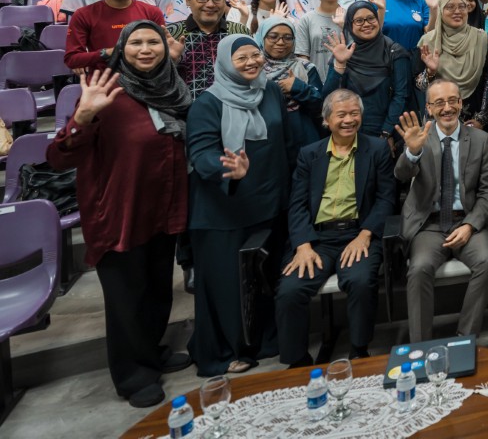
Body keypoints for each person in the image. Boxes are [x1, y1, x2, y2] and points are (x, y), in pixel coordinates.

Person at [46, 23, 196, 408]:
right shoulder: (104, 91)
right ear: (120, 49)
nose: (145, 50)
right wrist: (84, 117)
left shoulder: (171, 87)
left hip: (163, 206)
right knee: (127, 296)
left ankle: (152, 349)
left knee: (157, 287)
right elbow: (60, 157)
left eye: (153, 43)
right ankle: (133, 374)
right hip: (119, 210)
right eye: (136, 43)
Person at [186, 34, 293, 375]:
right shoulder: (208, 103)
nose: (251, 62)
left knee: (263, 280)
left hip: (269, 201)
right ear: (224, 63)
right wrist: (227, 169)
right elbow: (200, 154)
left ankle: (260, 341)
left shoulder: (271, 91)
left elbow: (285, 143)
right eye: (241, 58)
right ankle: (225, 350)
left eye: (255, 55)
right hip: (225, 208)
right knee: (227, 286)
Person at [276, 90, 396, 366]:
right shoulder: (310, 154)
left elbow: (386, 198)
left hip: (358, 233)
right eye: (341, 115)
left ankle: (359, 349)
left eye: (354, 113)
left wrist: (365, 235)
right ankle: (297, 362)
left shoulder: (376, 149)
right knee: (290, 289)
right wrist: (303, 245)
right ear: (326, 120)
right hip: (317, 238)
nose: (349, 120)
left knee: (361, 280)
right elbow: (297, 205)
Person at [395, 81, 488, 342]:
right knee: (418, 269)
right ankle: (421, 345)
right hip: (428, 225)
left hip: (466, 221)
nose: (447, 108)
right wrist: (413, 151)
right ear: (429, 108)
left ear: (461, 103)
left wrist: (470, 225)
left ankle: (465, 337)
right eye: (439, 103)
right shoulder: (420, 137)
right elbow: (401, 175)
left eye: (453, 100)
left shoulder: (480, 139)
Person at [322, 1, 411, 143]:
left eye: (371, 18)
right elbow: (328, 97)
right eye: (359, 20)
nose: (366, 24)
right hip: (349, 130)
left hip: (386, 132)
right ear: (350, 25)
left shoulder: (395, 52)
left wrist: (386, 132)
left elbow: (401, 96)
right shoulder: (344, 52)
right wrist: (340, 63)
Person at [64, 0, 166, 72]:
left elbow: (162, 51)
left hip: (146, 80)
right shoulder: (83, 14)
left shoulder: (152, 12)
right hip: (102, 82)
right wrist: (107, 53)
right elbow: (72, 59)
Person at [167, 0, 250, 99]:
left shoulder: (239, 32)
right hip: (184, 111)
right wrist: (170, 61)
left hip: (232, 107)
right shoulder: (172, 34)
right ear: (188, 0)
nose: (210, 4)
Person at [418, 0, 488, 119]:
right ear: (441, 10)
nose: (457, 12)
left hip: (474, 116)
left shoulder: (481, 39)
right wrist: (430, 72)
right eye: (450, 7)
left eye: (462, 7)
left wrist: (481, 119)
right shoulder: (428, 41)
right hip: (439, 114)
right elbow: (419, 86)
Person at [257, 16, 323, 149]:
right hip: (266, 140)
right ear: (262, 38)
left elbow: (321, 106)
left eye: (288, 37)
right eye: (273, 36)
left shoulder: (306, 68)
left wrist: (298, 87)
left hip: (302, 139)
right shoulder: (253, 68)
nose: (280, 42)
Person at [294, 0, 345, 76]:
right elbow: (302, 56)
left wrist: (344, 26)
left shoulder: (350, 16)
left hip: (346, 81)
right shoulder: (307, 19)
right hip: (316, 82)